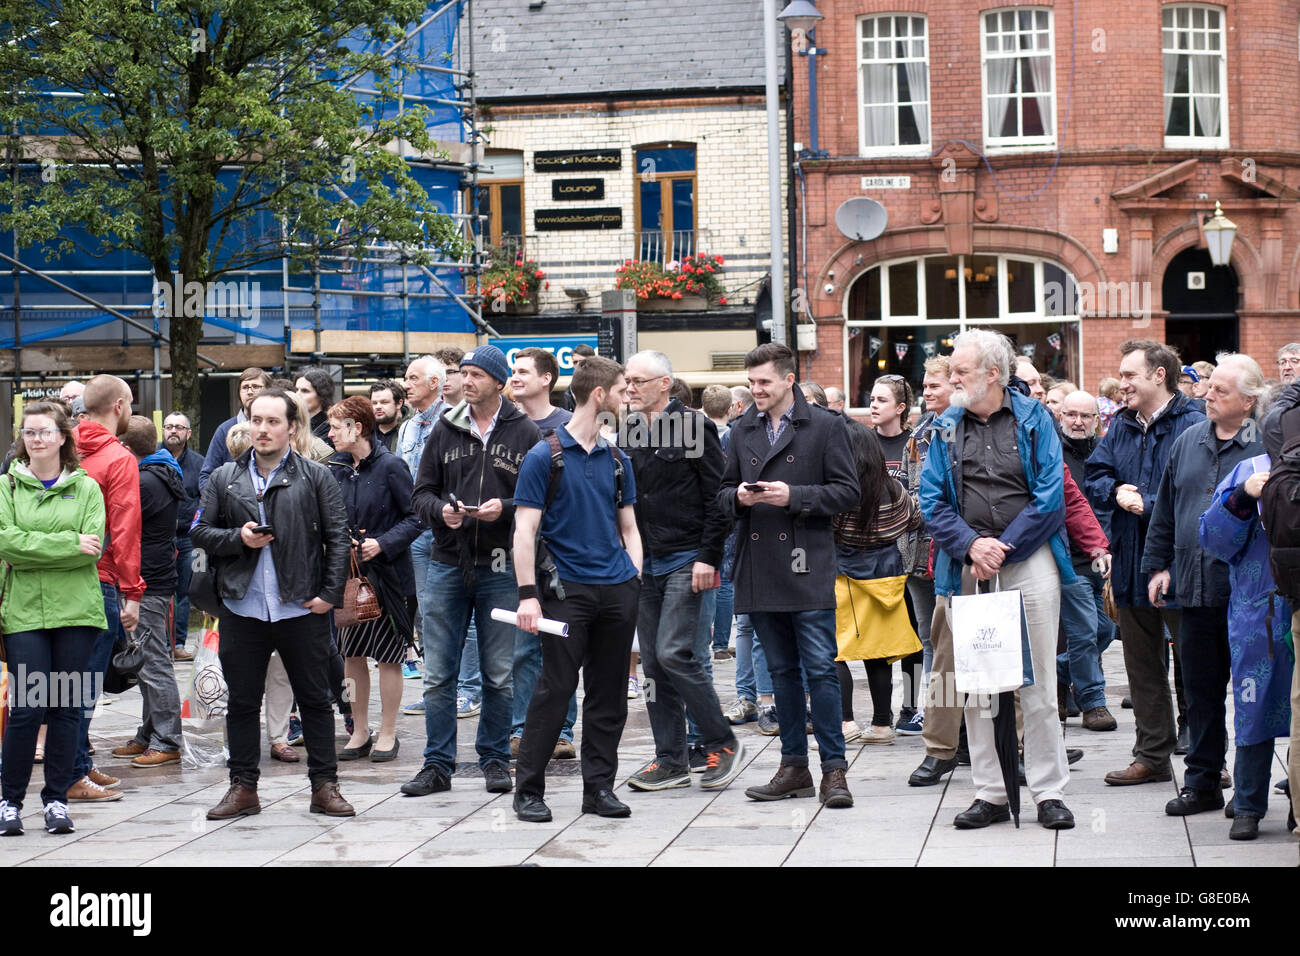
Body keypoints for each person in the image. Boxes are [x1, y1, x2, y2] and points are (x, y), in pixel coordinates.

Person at [919, 329, 1075, 830]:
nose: (952, 377)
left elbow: (1051, 497)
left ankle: (1048, 791)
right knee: (979, 685)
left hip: (1027, 562)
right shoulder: (944, 426)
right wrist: (971, 546)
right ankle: (989, 793)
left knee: (1040, 685)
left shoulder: (1034, 419)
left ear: (992, 373)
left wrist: (1001, 547)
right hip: (970, 565)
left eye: (961, 370)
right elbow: (932, 500)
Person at [191, 388, 355, 819]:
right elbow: (200, 534)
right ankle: (242, 787)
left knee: (316, 700)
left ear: (292, 427)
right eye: (255, 420)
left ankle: (325, 786)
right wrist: (237, 538)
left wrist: (329, 596)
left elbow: (338, 539)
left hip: (301, 607)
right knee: (242, 703)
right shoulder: (226, 476)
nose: (261, 429)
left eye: (272, 421)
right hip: (243, 608)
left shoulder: (316, 476)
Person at [720, 343, 860, 808]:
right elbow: (719, 496)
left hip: (808, 563)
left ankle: (834, 771)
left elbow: (847, 492)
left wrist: (793, 496)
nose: (755, 390)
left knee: (820, 669)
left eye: (763, 382)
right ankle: (794, 766)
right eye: (751, 382)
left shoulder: (826, 426)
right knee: (780, 672)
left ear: (787, 380)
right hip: (759, 569)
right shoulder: (741, 429)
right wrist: (739, 496)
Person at [402, 345, 542, 797]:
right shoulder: (445, 428)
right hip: (447, 562)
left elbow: (544, 500)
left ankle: (495, 759)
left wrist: (508, 507)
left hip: (502, 567)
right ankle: (437, 765)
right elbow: (420, 494)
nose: (466, 381)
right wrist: (443, 511)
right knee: (439, 673)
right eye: (463, 373)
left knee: (498, 673)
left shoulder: (526, 433)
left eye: (476, 374)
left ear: (499, 383)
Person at [510, 355, 643, 822]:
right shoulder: (546, 455)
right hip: (565, 595)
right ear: (600, 395)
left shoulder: (619, 458)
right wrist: (528, 594)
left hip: (617, 591)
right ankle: (528, 790)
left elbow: (629, 527)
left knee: (608, 694)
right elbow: (524, 531)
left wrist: (635, 579)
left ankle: (599, 789)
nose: (630, 397)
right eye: (624, 389)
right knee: (555, 689)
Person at [1142, 354, 1267, 817]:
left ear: (1250, 400)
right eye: (1209, 387)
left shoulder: (1266, 445)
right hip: (1193, 588)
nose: (1207, 395)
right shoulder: (1189, 439)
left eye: (1220, 391)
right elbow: (1167, 509)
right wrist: (1158, 565)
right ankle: (1203, 783)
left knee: (1254, 693)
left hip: (1250, 594)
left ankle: (1251, 790)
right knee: (1201, 692)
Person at [621, 350, 743, 793]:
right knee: (652, 664)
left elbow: (719, 497)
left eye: (637, 380)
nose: (629, 387)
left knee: (675, 653)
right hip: (643, 561)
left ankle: (722, 740)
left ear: (665, 384)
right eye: (626, 380)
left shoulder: (695, 426)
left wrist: (708, 558)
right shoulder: (629, 427)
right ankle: (670, 759)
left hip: (687, 556)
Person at [1086, 340, 1204, 787]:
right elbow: (1096, 473)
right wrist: (1116, 491)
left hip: (1179, 563)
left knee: (1195, 664)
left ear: (1159, 375)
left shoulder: (1193, 422)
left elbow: (1198, 489)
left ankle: (1209, 759)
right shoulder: (1120, 424)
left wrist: (1148, 503)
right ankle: (1153, 755)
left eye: (1130, 375)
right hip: (1131, 560)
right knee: (1141, 664)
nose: (1123, 383)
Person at [0, 402, 107, 836]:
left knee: (66, 708)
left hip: (77, 613)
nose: (36, 439)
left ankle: (57, 801)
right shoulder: (7, 487)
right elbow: (6, 543)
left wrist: (33, 548)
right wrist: (66, 545)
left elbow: (94, 547)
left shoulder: (87, 488)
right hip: (24, 613)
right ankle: (9, 801)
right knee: (26, 708)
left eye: (44, 431)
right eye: (29, 432)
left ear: (63, 437)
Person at [1199, 447, 1295, 839]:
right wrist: (1240, 497)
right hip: (1261, 612)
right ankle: (1249, 802)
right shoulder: (1252, 468)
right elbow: (1211, 538)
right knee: (1254, 705)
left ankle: (1298, 802)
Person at [326, 396, 423, 762]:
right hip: (348, 579)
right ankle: (360, 729)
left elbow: (416, 518)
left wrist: (381, 543)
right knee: (350, 655)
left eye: (337, 426)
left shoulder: (392, 466)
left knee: (387, 657)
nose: (331, 433)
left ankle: (387, 732)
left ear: (358, 428)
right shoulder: (334, 467)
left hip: (389, 580)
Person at [69, 374, 145, 803]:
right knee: (86, 682)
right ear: (118, 406)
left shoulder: (63, 449)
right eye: (130, 403)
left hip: (58, 578)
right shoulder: (117, 458)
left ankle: (78, 760)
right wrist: (132, 590)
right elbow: (125, 527)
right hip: (99, 581)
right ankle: (75, 771)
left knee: (66, 679)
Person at [507, 347, 578, 760]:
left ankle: (563, 732)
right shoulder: (506, 425)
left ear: (546, 378)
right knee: (523, 650)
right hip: (516, 552)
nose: (515, 378)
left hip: (562, 555)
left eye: (522, 371)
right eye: (512, 371)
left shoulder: (566, 426)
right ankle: (523, 730)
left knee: (561, 648)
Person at [834, 421, 921, 744]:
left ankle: (844, 723)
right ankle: (882, 725)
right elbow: (914, 519)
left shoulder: (843, 493)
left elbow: (830, 528)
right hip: (887, 576)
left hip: (845, 577)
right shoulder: (893, 489)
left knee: (836, 652)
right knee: (879, 653)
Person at [108, 417, 185, 768]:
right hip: (156, 575)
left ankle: (167, 740)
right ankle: (148, 734)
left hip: (147, 579)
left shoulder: (142, 481)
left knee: (153, 663)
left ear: (125, 447)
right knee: (146, 661)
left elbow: (122, 527)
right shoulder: (162, 471)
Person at [907, 355, 965, 786]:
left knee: (993, 654)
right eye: (923, 386)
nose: (926, 392)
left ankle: (1015, 745)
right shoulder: (923, 435)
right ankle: (944, 743)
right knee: (938, 648)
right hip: (931, 556)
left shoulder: (972, 427)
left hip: (980, 553)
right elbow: (920, 496)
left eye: (934, 386)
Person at [1057, 391, 1118, 732]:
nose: (1077, 421)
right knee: (1083, 633)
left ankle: (1058, 672)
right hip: (1070, 559)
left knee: (1106, 628)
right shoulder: (1052, 453)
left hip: (1104, 558)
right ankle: (1094, 702)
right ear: (1061, 416)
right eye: (1071, 415)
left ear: (1096, 419)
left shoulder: (1104, 452)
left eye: (1085, 415)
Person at [869, 373, 925, 736]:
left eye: (881, 400)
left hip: (908, 552)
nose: (873, 405)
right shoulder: (863, 443)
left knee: (913, 636)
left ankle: (910, 706)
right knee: (878, 636)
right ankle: (879, 713)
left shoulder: (913, 443)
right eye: (871, 399)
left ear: (901, 408)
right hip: (873, 553)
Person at [396, 354, 447, 691]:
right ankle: (436, 682)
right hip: (415, 530)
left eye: (413, 378)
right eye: (406, 377)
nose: (406, 384)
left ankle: (465, 684)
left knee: (451, 609)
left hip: (446, 528)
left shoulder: (453, 420)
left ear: (434, 383)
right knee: (424, 609)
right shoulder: (407, 426)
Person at [162, 411, 203, 660]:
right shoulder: (152, 458)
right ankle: (162, 645)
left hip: (188, 538)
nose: (173, 431)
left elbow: (205, 498)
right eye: (169, 426)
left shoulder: (200, 463)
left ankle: (178, 645)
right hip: (159, 537)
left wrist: (196, 526)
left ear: (188, 433)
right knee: (161, 592)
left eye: (179, 427)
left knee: (185, 591)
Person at [511, 347, 572, 431]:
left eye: (523, 372)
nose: (513, 379)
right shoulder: (502, 424)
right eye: (513, 373)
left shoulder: (571, 424)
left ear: (546, 379)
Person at [370, 379, 410, 453]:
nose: (378, 407)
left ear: (399, 404)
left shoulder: (411, 430)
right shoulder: (365, 432)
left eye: (384, 402)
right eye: (374, 403)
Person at [558, 343, 596, 411]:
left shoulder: (605, 386)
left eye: (582, 362)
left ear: (593, 362)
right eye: (575, 362)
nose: (578, 366)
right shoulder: (568, 394)